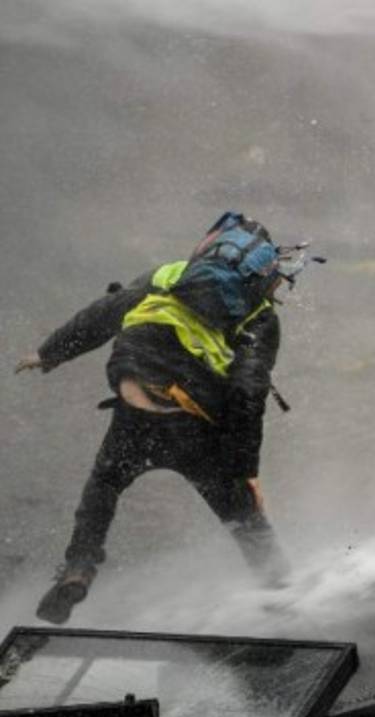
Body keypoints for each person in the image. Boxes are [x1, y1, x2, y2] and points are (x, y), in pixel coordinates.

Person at [14, 212, 311, 624]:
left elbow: (105, 312)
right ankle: (284, 597)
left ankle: (79, 567)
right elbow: (248, 391)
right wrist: (246, 471)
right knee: (244, 518)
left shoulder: (170, 274)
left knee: (104, 484)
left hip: (136, 393)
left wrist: (50, 353)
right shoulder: (260, 317)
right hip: (194, 421)